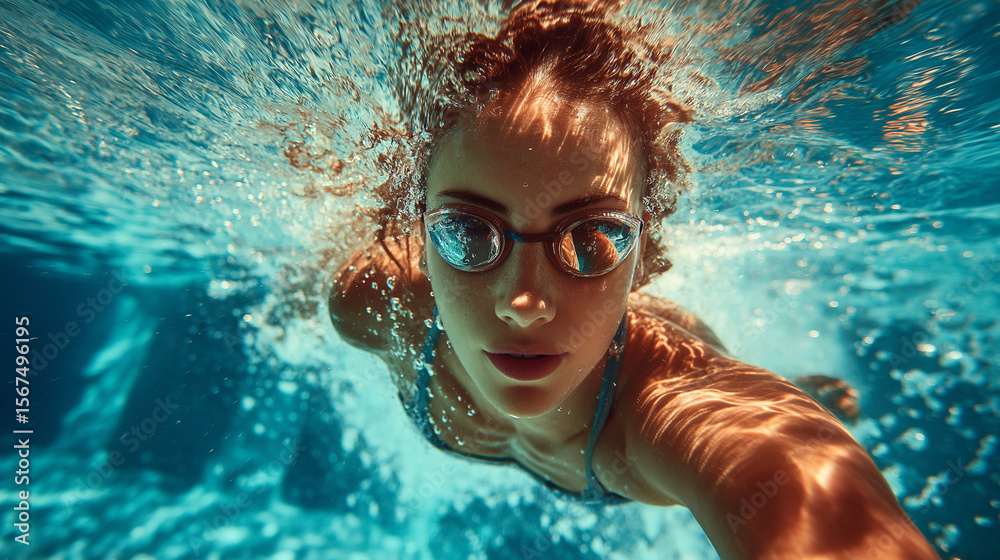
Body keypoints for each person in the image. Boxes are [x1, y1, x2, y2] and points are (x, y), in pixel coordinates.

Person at [327, 1, 938, 558]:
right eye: (467, 234)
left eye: (590, 241)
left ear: (643, 256)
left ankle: (807, 389)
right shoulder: (369, 303)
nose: (524, 304)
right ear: (419, 234)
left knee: (771, 387)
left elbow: (772, 464)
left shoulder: (664, 402)